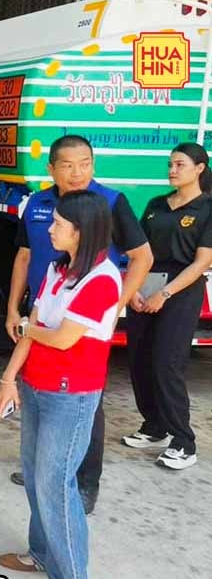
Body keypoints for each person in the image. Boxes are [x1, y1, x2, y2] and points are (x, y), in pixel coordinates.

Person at [4, 135, 152, 512]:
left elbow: (142, 257)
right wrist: (12, 310)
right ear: (51, 169)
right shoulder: (37, 204)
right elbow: (24, 257)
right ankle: (47, 468)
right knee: (38, 393)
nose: (77, 172)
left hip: (81, 321)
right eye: (68, 165)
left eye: (85, 164)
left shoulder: (110, 203)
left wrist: (113, 306)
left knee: (83, 404)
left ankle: (85, 483)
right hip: (43, 311)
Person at [0, 190, 121, 579]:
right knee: (36, 478)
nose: (50, 230)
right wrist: (9, 378)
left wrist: (29, 327)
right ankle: (41, 553)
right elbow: (35, 328)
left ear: (81, 232)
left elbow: (63, 338)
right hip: (36, 386)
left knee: (56, 486)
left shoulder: (102, 279)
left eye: (59, 225)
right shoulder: (57, 269)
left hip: (72, 395)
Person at [123, 143, 212, 470]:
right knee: (140, 359)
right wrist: (133, 289)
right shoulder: (156, 204)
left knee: (166, 363)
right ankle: (154, 427)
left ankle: (184, 442)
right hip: (146, 283)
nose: (172, 170)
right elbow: (139, 252)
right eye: (170, 164)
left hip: (181, 289)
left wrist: (165, 293)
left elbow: (202, 262)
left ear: (199, 168)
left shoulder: (207, 208)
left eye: (180, 165)